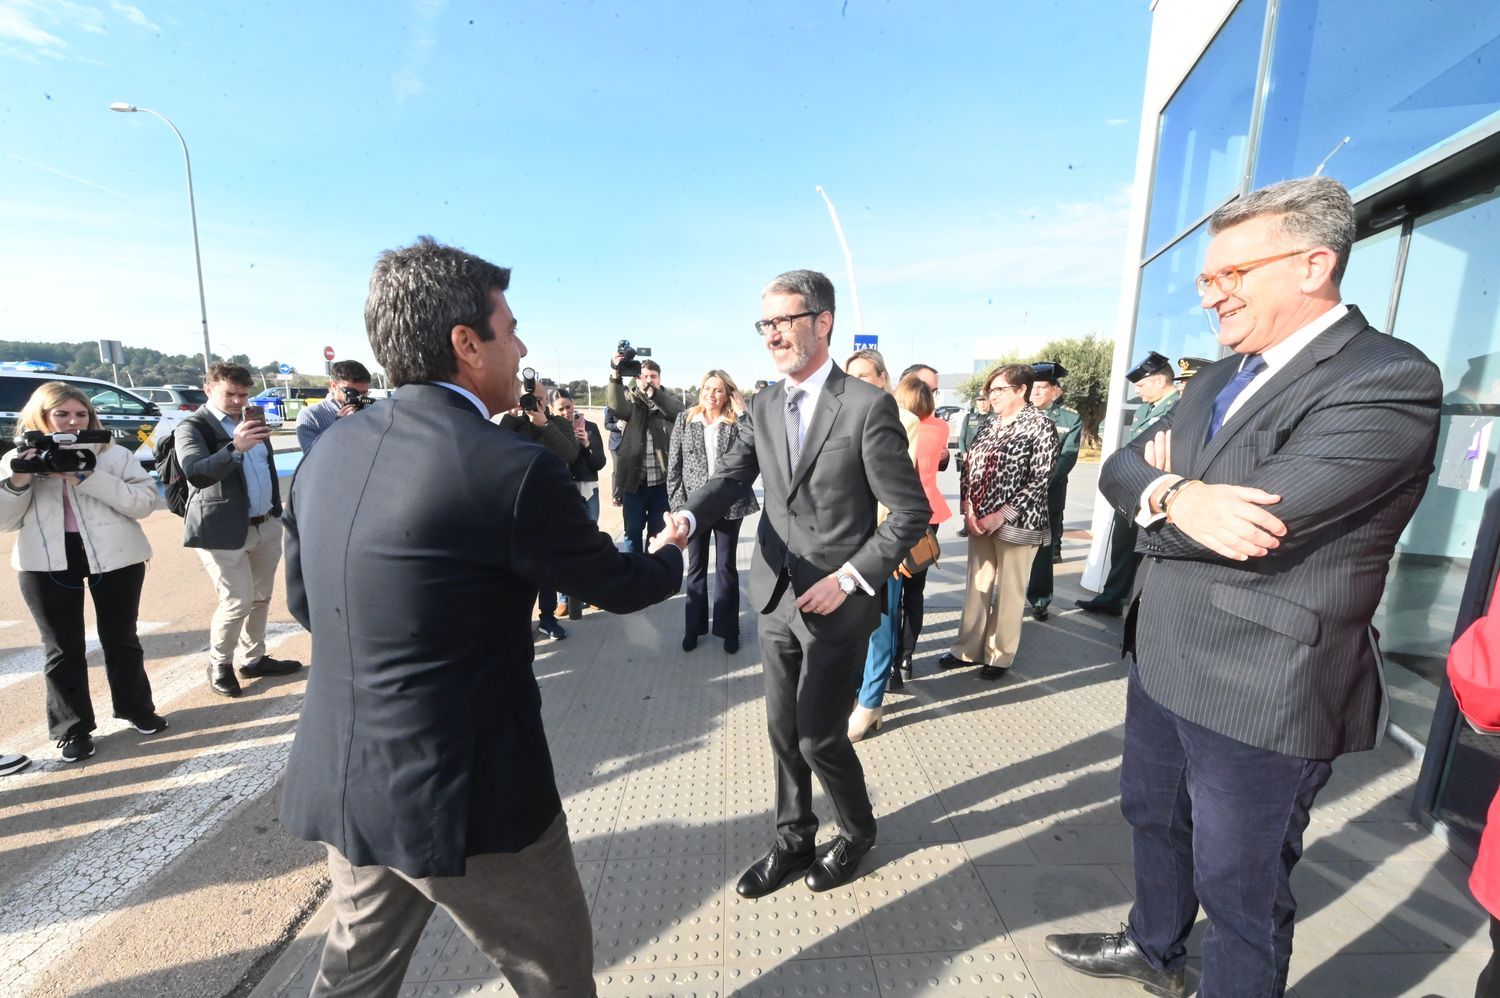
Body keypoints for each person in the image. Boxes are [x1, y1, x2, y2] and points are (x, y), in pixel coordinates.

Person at [1045, 176, 1442, 998]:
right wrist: (1177, 493)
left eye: (1232, 276)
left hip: (1264, 685)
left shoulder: (1385, 378)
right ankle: (1153, 948)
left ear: (1313, 264)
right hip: (1164, 654)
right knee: (1150, 817)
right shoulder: (1211, 379)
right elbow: (1122, 466)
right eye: (1205, 280)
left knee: (1241, 890)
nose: (1212, 297)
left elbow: (1260, 532)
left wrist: (1165, 498)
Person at [280, 236, 685, 997]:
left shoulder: (324, 454)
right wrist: (670, 550)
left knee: (354, 976)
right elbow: (618, 585)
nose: (522, 346)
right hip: (469, 795)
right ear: (467, 344)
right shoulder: (508, 465)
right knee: (554, 973)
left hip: (351, 781)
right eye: (512, 328)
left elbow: (308, 605)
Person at [661, 269, 928, 897]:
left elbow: (910, 513)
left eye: (784, 320)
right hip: (775, 599)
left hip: (837, 604)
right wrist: (689, 515)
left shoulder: (866, 406)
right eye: (766, 324)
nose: (772, 335)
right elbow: (731, 476)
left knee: (818, 736)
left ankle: (857, 831)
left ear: (822, 321)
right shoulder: (761, 404)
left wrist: (851, 577)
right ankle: (793, 839)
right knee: (782, 733)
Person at [0, 382, 165, 762]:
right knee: (62, 647)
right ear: (41, 417)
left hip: (117, 556)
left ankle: (136, 708)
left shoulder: (114, 456)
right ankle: (72, 728)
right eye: (62, 414)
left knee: (121, 637)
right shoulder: (18, 459)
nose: (73, 422)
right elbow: (5, 522)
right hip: (45, 563)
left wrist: (87, 477)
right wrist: (20, 480)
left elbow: (143, 504)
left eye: (81, 414)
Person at [176, 362, 303, 698]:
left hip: (265, 523)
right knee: (237, 601)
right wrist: (235, 447)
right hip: (222, 531)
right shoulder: (193, 427)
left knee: (260, 598)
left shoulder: (249, 421)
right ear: (209, 390)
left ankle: (253, 658)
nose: (236, 400)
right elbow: (197, 473)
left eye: (243, 394)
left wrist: (276, 510)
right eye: (229, 393)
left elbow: (266, 469)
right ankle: (219, 664)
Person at [937, 364, 1057, 679]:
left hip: (1017, 525)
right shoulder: (989, 424)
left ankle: (999, 655)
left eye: (1000, 389)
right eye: (990, 390)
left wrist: (999, 515)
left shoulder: (1041, 425)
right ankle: (967, 649)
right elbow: (969, 466)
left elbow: (1040, 479)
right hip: (979, 521)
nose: (993, 395)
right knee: (977, 586)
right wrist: (968, 509)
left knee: (1010, 592)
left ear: (1022, 390)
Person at [842, 349, 921, 741]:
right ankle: (858, 694)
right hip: (846, 543)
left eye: (865, 375)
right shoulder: (841, 416)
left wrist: (891, 547)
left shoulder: (904, 420)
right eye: (850, 375)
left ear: (883, 378)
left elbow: (906, 494)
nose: (857, 381)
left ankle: (871, 703)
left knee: (881, 624)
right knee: (853, 625)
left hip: (883, 541)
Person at [1075, 351, 1181, 617]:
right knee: (1123, 543)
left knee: (1150, 548)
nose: (1138, 391)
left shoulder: (1179, 407)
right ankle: (1112, 597)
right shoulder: (1145, 408)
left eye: (1142, 384)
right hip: (1134, 488)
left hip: (1158, 490)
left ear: (1159, 381)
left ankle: (1143, 606)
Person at [667, 370, 758, 653]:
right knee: (695, 568)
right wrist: (678, 507)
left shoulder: (734, 423)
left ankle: (728, 630)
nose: (712, 395)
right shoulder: (685, 419)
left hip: (728, 505)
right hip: (693, 508)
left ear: (728, 393)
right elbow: (675, 467)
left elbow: (753, 444)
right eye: (708, 388)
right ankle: (693, 628)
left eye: (719, 390)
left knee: (726, 568)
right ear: (700, 390)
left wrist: (743, 413)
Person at [495, 387, 583, 640]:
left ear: (547, 402)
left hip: (550, 504)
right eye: (530, 399)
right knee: (516, 569)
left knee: (547, 566)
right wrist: (511, 416)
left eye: (540, 400)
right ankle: (519, 621)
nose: (534, 404)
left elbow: (570, 453)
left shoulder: (557, 423)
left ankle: (548, 617)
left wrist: (545, 425)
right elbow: (494, 445)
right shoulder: (512, 423)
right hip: (515, 504)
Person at [1024, 361, 1082, 621]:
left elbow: (1067, 457)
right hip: (1014, 496)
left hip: (1048, 494)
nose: (1035, 393)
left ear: (1054, 390)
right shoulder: (1019, 413)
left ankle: (1039, 600)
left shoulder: (1070, 418)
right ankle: (1006, 598)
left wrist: (1039, 481)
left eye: (1041, 388)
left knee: (1043, 551)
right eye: (1032, 388)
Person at [607, 358, 682, 553]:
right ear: (637, 379)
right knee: (632, 532)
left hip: (662, 484)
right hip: (635, 483)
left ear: (659, 379)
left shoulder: (669, 402)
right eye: (644, 376)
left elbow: (678, 412)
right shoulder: (631, 401)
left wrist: (652, 393)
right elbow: (616, 407)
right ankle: (635, 576)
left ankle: (654, 575)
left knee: (658, 533)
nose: (649, 380)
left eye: (653, 376)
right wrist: (615, 375)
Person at [549, 388, 607, 620]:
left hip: (588, 491)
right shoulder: (550, 430)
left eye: (568, 407)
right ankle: (564, 597)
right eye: (560, 408)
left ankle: (591, 592)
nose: (565, 412)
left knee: (590, 543)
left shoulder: (589, 427)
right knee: (565, 545)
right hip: (563, 493)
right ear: (552, 410)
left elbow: (600, 462)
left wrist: (586, 445)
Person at [296, 359, 374, 454]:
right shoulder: (311, 416)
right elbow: (311, 456)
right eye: (352, 393)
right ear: (334, 385)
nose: (359, 398)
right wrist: (338, 428)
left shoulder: (369, 410)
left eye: (364, 393)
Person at [955, 394, 992, 538]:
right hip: (969, 461)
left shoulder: (994, 417)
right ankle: (966, 524)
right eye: (980, 400)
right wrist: (964, 453)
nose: (982, 403)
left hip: (986, 462)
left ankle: (981, 522)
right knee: (966, 491)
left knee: (983, 492)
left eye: (985, 400)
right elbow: (962, 438)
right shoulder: (969, 418)